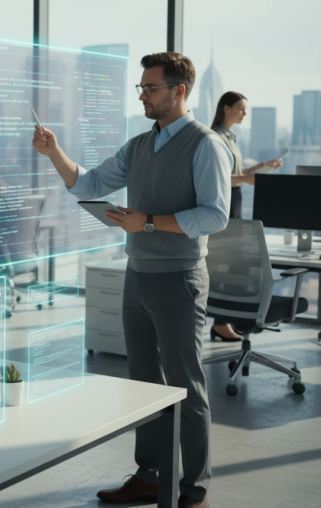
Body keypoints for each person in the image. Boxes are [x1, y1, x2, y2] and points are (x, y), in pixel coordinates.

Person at [32, 52, 231, 508]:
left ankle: (194, 487)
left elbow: (215, 215)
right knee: (142, 382)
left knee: (185, 382)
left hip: (179, 278)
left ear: (178, 91)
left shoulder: (205, 144)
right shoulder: (140, 145)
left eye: (150, 88)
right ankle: (148, 475)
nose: (142, 94)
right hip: (137, 274)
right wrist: (53, 152)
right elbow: (90, 184)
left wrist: (146, 223)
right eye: (140, 88)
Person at [209, 91, 284, 341]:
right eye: (241, 108)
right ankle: (221, 322)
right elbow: (217, 176)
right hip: (226, 201)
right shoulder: (217, 137)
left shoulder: (231, 137)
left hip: (235, 200)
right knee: (229, 261)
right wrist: (245, 178)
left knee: (234, 261)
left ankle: (224, 321)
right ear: (226, 108)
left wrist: (263, 166)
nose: (245, 113)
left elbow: (237, 171)